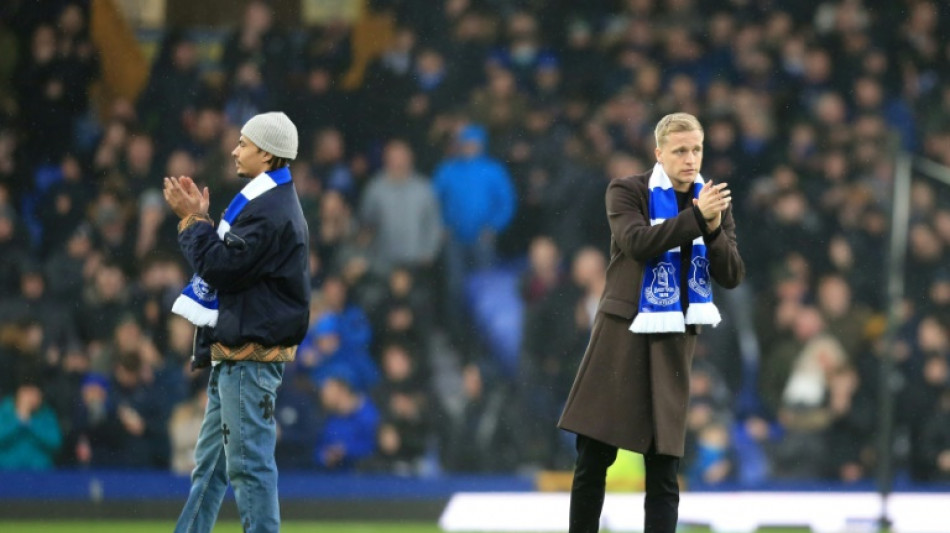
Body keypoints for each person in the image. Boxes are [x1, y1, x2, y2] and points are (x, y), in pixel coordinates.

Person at [558, 113, 744, 533]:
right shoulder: (627, 191)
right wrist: (698, 219)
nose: (690, 158)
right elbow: (638, 243)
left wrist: (713, 230)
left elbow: (732, 275)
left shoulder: (711, 203)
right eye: (680, 150)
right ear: (659, 153)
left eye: (696, 149)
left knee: (664, 469)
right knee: (593, 458)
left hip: (673, 342)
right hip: (621, 335)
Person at [163, 111, 310, 533]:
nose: (234, 149)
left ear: (266, 154)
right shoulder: (268, 201)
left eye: (243, 143)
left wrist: (192, 222)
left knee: (249, 468)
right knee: (210, 470)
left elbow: (221, 269)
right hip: (238, 351)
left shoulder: (268, 210)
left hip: (249, 357)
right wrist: (202, 224)